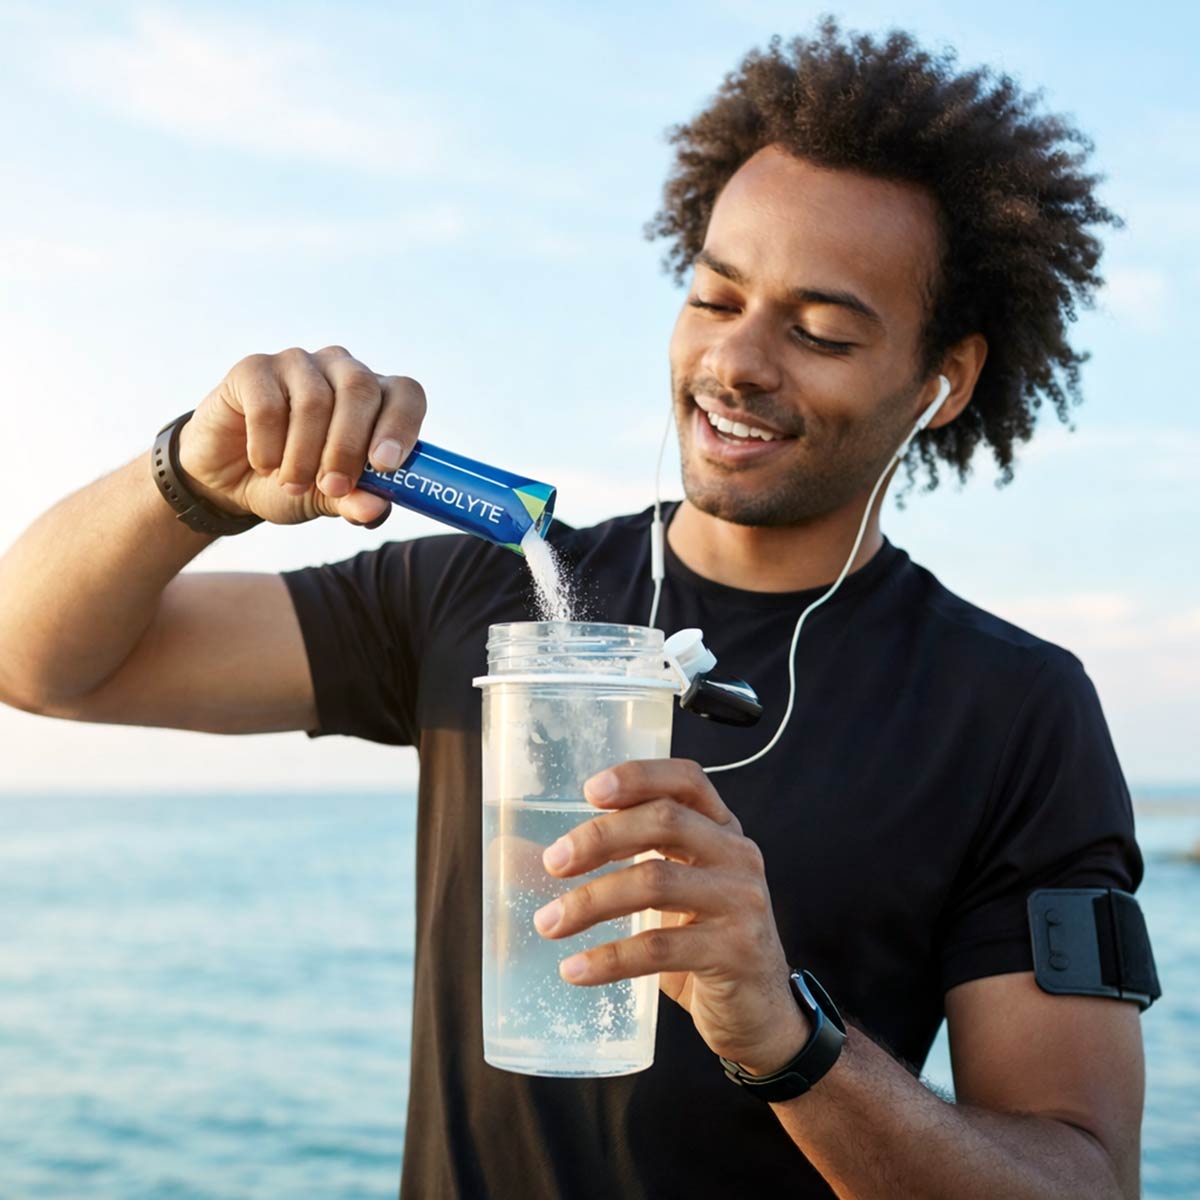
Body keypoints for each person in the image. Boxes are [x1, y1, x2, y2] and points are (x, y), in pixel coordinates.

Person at [0, 20, 1159, 1199]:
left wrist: (784, 1034)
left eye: (819, 331)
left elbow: (1081, 1180)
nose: (739, 361)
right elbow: (42, 663)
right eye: (714, 297)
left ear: (943, 380)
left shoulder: (1014, 709)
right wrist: (189, 484)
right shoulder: (482, 587)